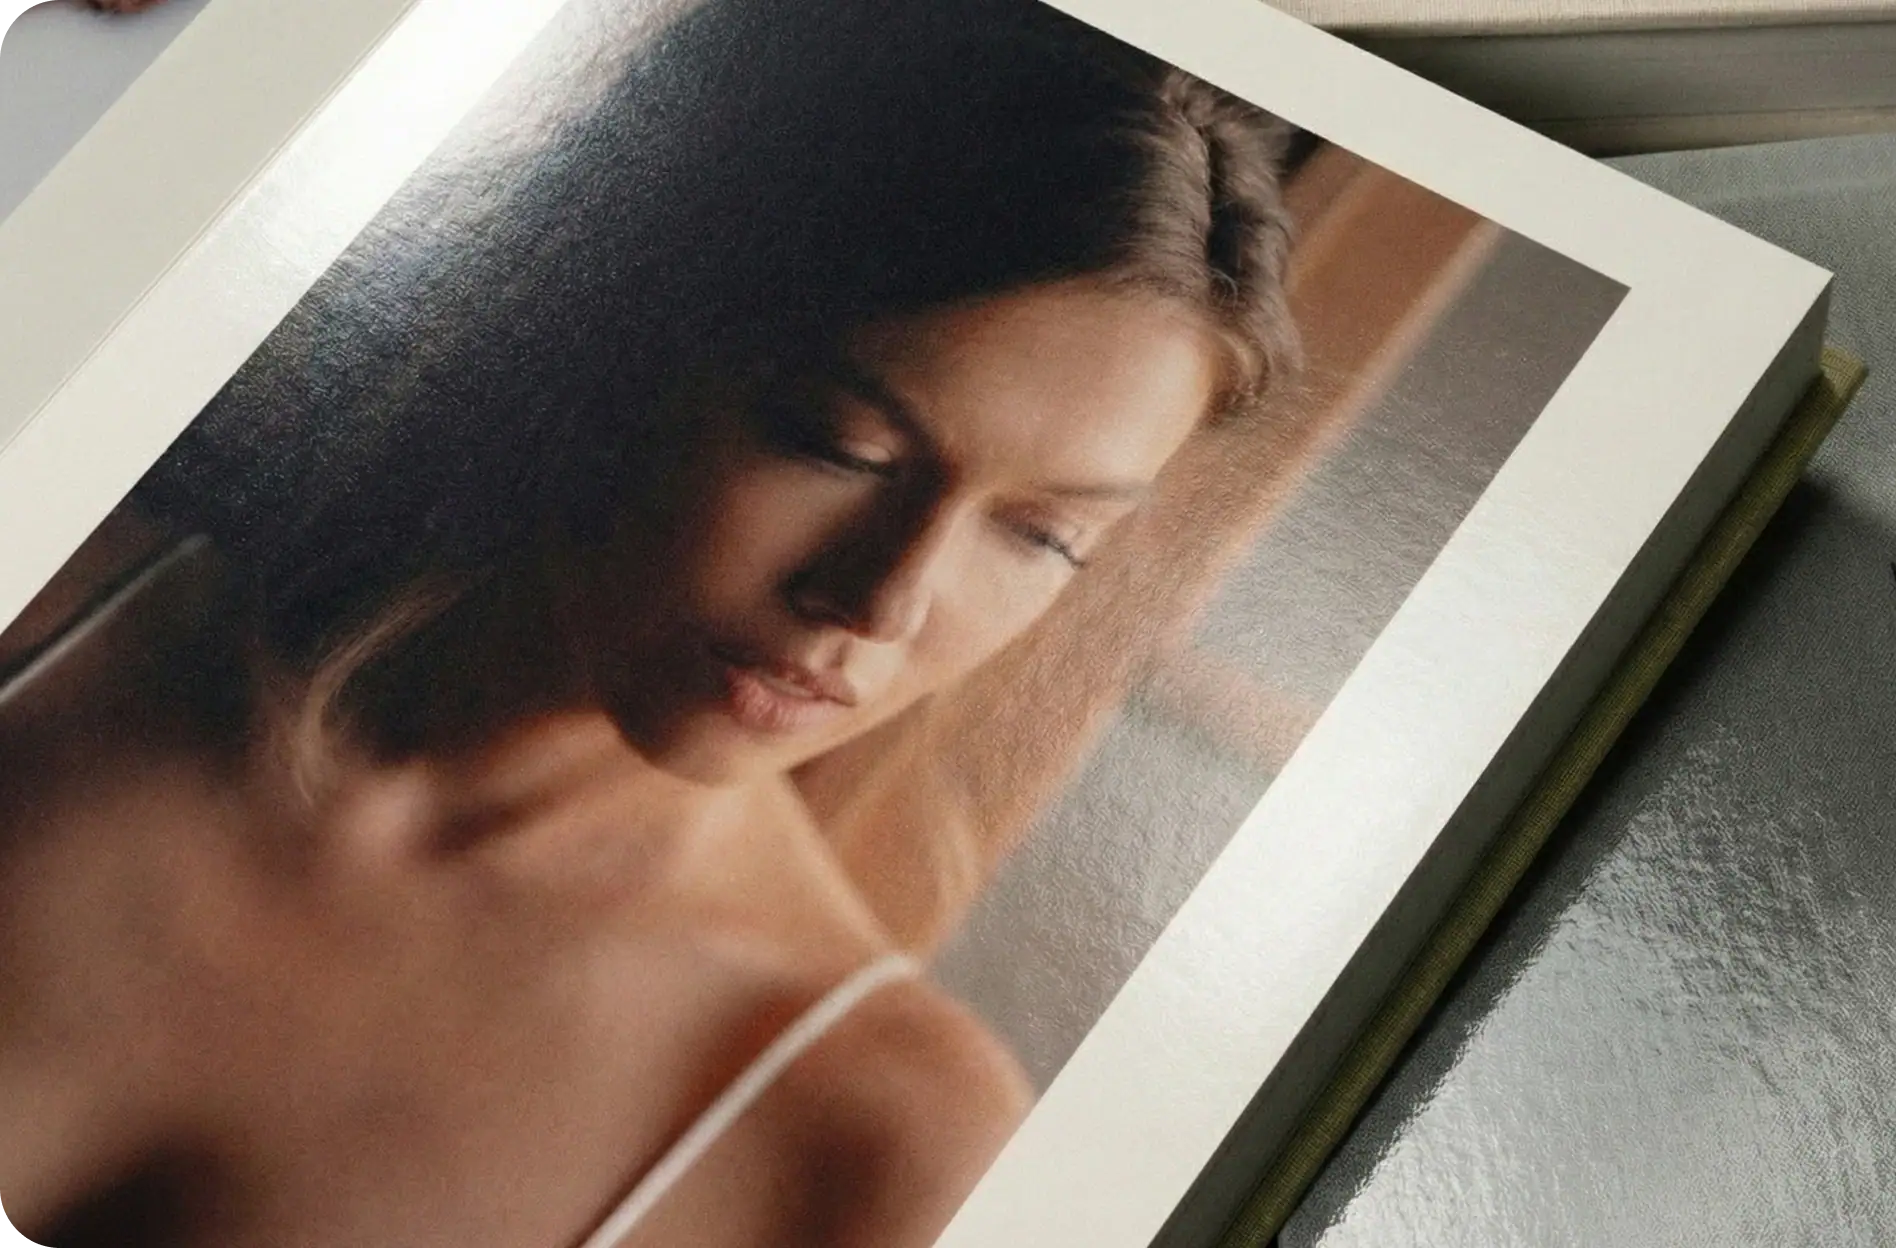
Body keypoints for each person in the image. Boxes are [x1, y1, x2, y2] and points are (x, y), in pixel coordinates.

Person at [0, 0, 1298, 1244]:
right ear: (628, 330)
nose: (882, 601)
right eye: (836, 444)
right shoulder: (49, 600)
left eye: (1043, 535)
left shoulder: (876, 1144)